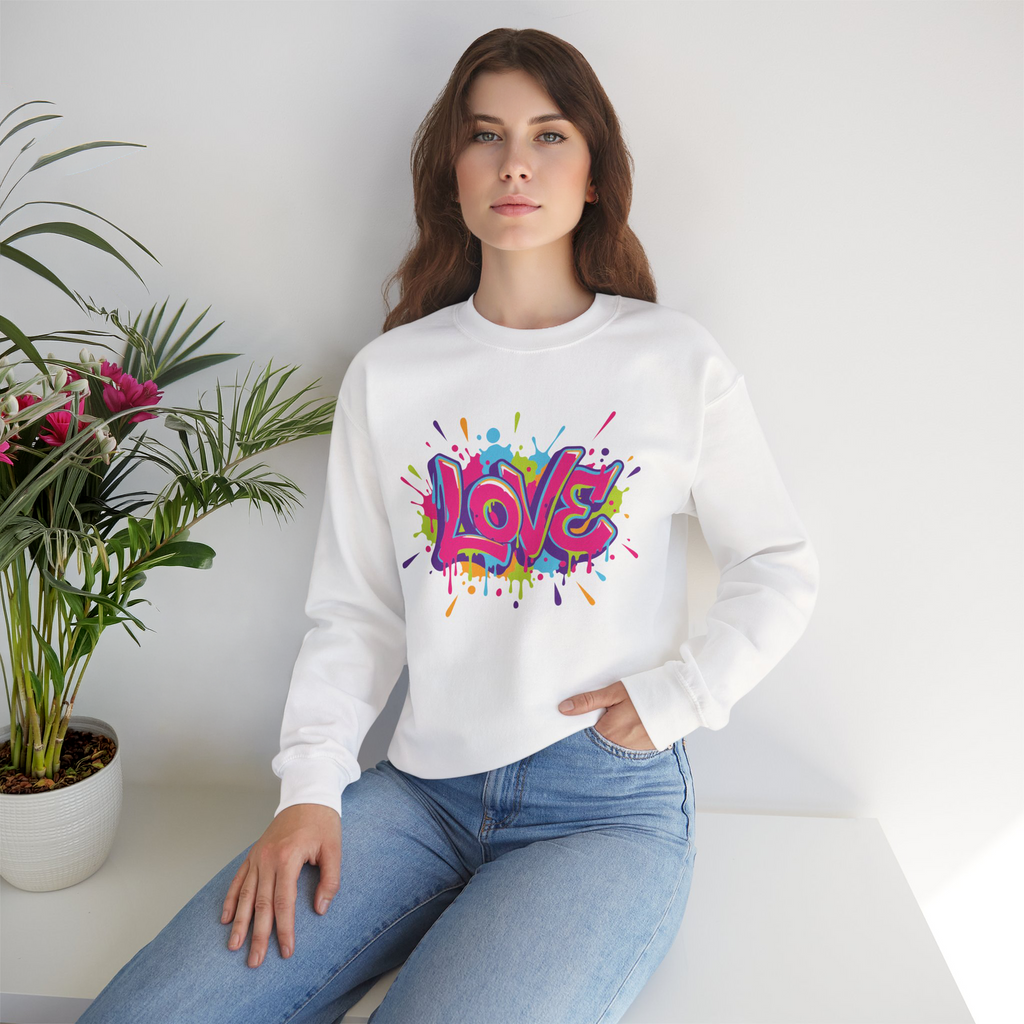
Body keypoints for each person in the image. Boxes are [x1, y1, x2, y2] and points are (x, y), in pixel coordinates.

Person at [77, 26, 819, 1024]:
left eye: (549, 134)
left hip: (602, 809)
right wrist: (310, 788)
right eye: (485, 136)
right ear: (452, 173)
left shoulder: (673, 361)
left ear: (594, 171)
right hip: (420, 793)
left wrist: (683, 691)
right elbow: (357, 613)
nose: (516, 161)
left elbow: (777, 563)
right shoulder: (393, 375)